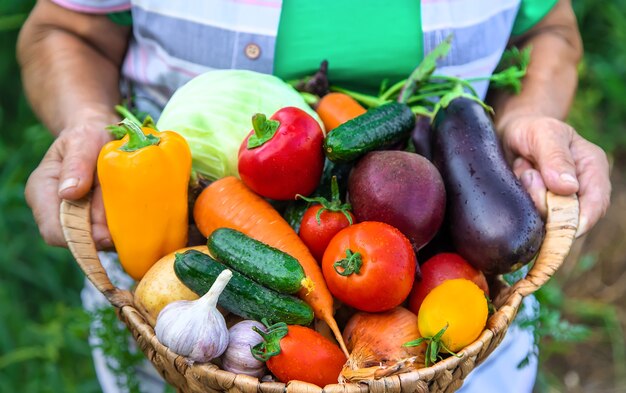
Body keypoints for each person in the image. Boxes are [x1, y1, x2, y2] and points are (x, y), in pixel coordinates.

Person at [17, 1, 611, 392]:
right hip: (182, 330)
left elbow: (548, 29)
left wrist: (527, 116)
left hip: (457, 330)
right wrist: (89, 121)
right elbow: (64, 27)